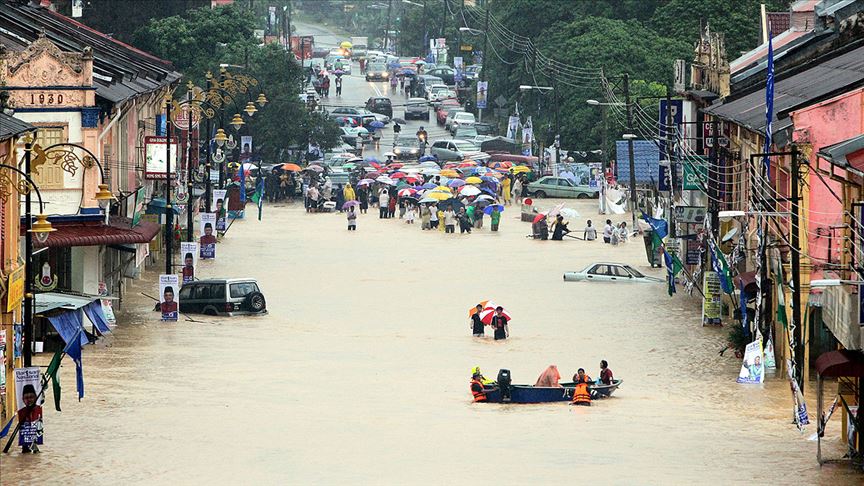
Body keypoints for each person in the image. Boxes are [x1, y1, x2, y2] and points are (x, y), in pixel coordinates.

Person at [17, 384, 43, 453]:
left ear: (35, 397)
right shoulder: (21, 412)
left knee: (36, 453)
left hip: (35, 437)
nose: (29, 400)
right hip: (25, 438)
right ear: (23, 399)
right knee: (25, 451)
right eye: (26, 398)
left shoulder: (38, 410)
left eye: (31, 397)